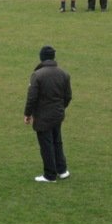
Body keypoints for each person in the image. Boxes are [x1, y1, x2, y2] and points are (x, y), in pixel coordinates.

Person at [24, 46, 72, 183]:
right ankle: (62, 170)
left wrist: (28, 114)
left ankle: (50, 175)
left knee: (46, 145)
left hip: (43, 116)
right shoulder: (64, 74)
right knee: (57, 142)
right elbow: (68, 96)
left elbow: (32, 98)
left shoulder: (37, 75)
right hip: (58, 114)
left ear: (41, 57)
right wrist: (60, 108)